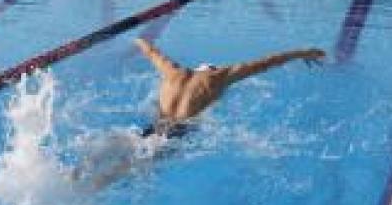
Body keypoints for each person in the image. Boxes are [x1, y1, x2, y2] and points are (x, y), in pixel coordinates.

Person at [135, 38, 326, 137]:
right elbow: (266, 62)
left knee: (124, 143)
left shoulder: (171, 70)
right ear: (212, 70)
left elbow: (150, 51)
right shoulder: (220, 77)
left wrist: (137, 40)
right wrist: (303, 52)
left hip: (154, 126)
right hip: (176, 134)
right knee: (130, 169)